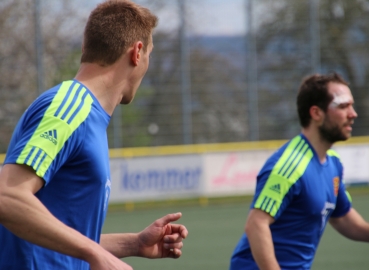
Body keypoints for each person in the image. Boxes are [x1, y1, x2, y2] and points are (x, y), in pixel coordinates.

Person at [0, 1, 188, 269]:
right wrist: (94, 253)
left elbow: (55, 237)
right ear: (137, 52)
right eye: (149, 54)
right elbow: (7, 197)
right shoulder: (70, 107)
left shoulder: (88, 116)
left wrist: (134, 244)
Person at [230, 72, 369, 270]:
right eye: (343, 106)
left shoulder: (333, 163)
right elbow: (256, 224)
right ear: (316, 113)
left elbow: (344, 218)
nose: (353, 113)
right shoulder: (290, 166)